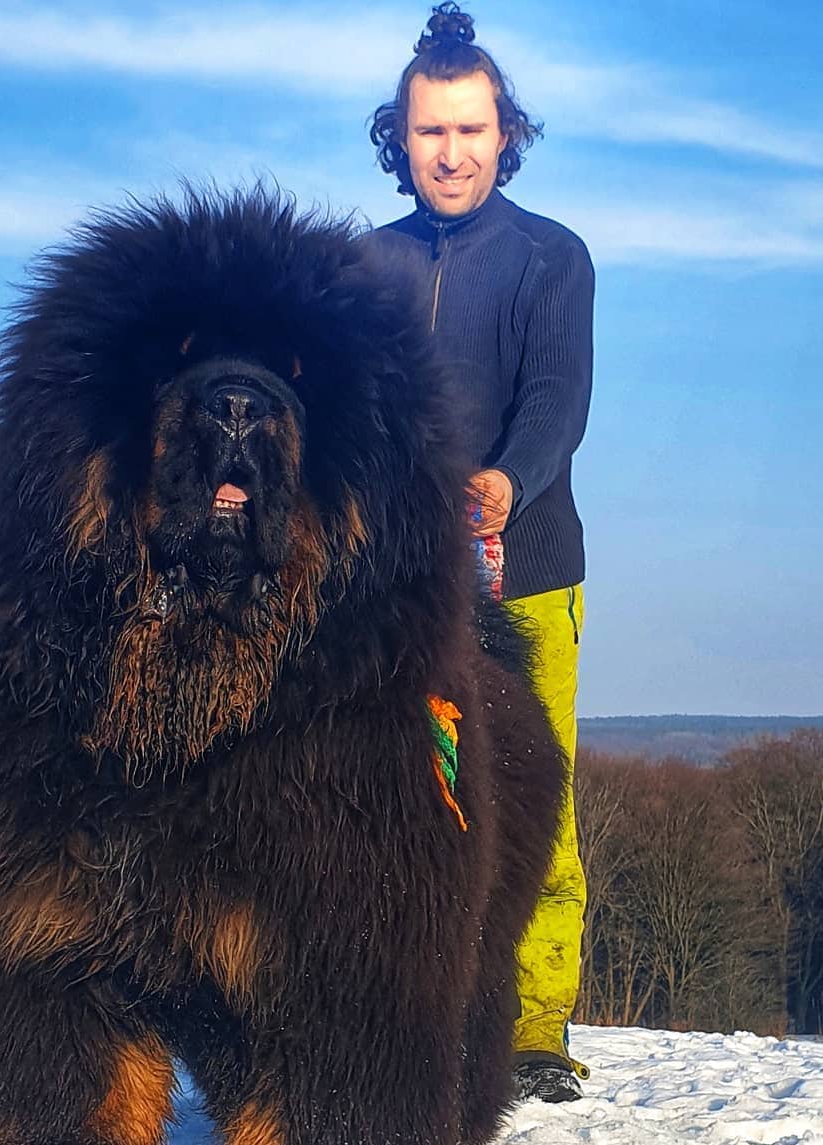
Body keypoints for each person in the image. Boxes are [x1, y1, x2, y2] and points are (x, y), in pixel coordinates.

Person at [365, 2, 595, 1104]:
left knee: (526, 795)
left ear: (507, 135)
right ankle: (403, 993)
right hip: (390, 584)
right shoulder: (363, 265)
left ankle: (537, 1024)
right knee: (394, 794)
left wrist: (506, 480)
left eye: (471, 129)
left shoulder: (554, 258)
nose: (450, 153)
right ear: (397, 141)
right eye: (429, 132)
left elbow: (558, 397)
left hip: (529, 567)